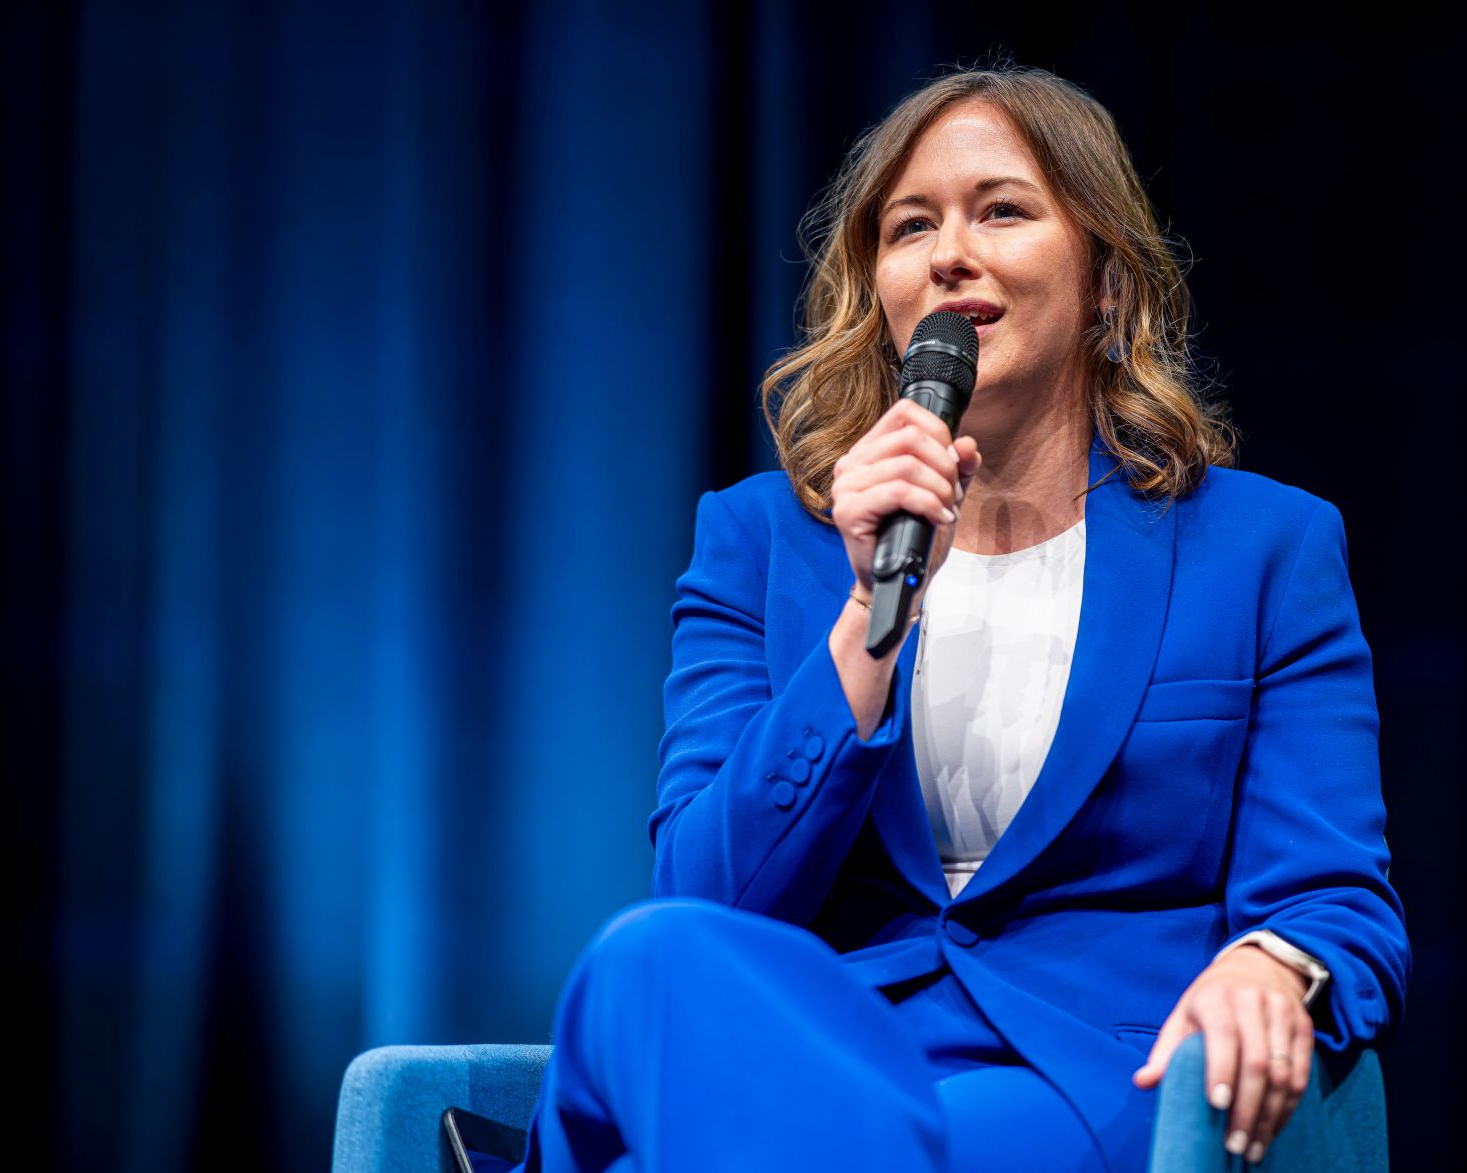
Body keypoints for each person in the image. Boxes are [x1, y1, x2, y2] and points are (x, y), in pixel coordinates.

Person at [513, 65, 1408, 1173]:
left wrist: (1271, 966)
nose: (949, 252)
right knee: (644, 957)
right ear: (878, 291)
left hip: (1087, 1071)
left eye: (1002, 210)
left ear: (1106, 283)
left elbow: (1334, 898)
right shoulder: (761, 539)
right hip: (831, 1042)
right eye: (910, 226)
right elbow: (713, 895)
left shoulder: (1262, 548)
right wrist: (865, 622)